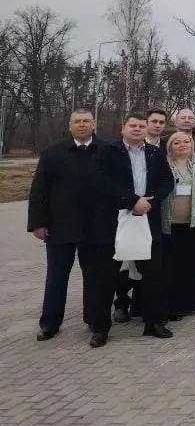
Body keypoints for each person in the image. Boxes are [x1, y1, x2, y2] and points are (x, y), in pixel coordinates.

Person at [28, 110, 111, 344]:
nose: (82, 125)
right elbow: (39, 190)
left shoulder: (108, 151)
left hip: (95, 226)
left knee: (94, 277)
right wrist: (37, 223)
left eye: (86, 121)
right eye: (77, 121)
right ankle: (50, 323)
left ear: (94, 124)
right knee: (56, 276)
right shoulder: (52, 153)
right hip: (59, 227)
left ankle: (94, 320)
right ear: (70, 125)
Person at [94, 111, 175, 346]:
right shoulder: (108, 152)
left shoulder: (155, 153)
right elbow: (101, 182)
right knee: (106, 276)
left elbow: (167, 181)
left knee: (153, 275)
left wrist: (150, 202)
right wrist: (131, 201)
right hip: (115, 219)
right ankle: (100, 328)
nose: (137, 129)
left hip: (147, 218)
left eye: (141, 126)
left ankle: (154, 322)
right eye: (133, 125)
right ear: (123, 128)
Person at [162, 131, 195, 320]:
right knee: (169, 267)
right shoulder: (163, 165)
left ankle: (188, 303)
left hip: (192, 225)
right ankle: (170, 305)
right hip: (167, 226)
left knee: (189, 266)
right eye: (177, 142)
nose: (182, 145)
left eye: (186, 141)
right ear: (170, 146)